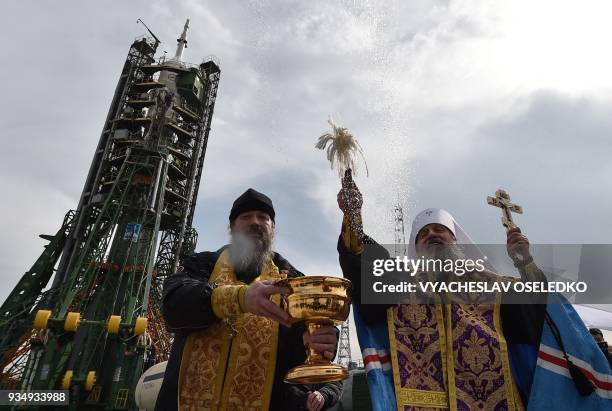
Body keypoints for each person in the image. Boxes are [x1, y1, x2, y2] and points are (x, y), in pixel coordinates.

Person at [336, 170, 548, 410]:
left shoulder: (494, 286)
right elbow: (359, 267)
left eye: (439, 229)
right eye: (423, 234)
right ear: (417, 247)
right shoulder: (400, 285)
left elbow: (538, 309)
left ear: (455, 240)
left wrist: (524, 262)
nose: (432, 235)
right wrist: (353, 217)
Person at [155, 188, 342, 410]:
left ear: (273, 229)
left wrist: (318, 340)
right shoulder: (201, 266)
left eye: (264, 217)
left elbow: (300, 353)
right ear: (232, 228)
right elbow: (173, 307)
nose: (255, 222)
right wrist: (240, 298)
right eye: (246, 217)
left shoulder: (293, 282)